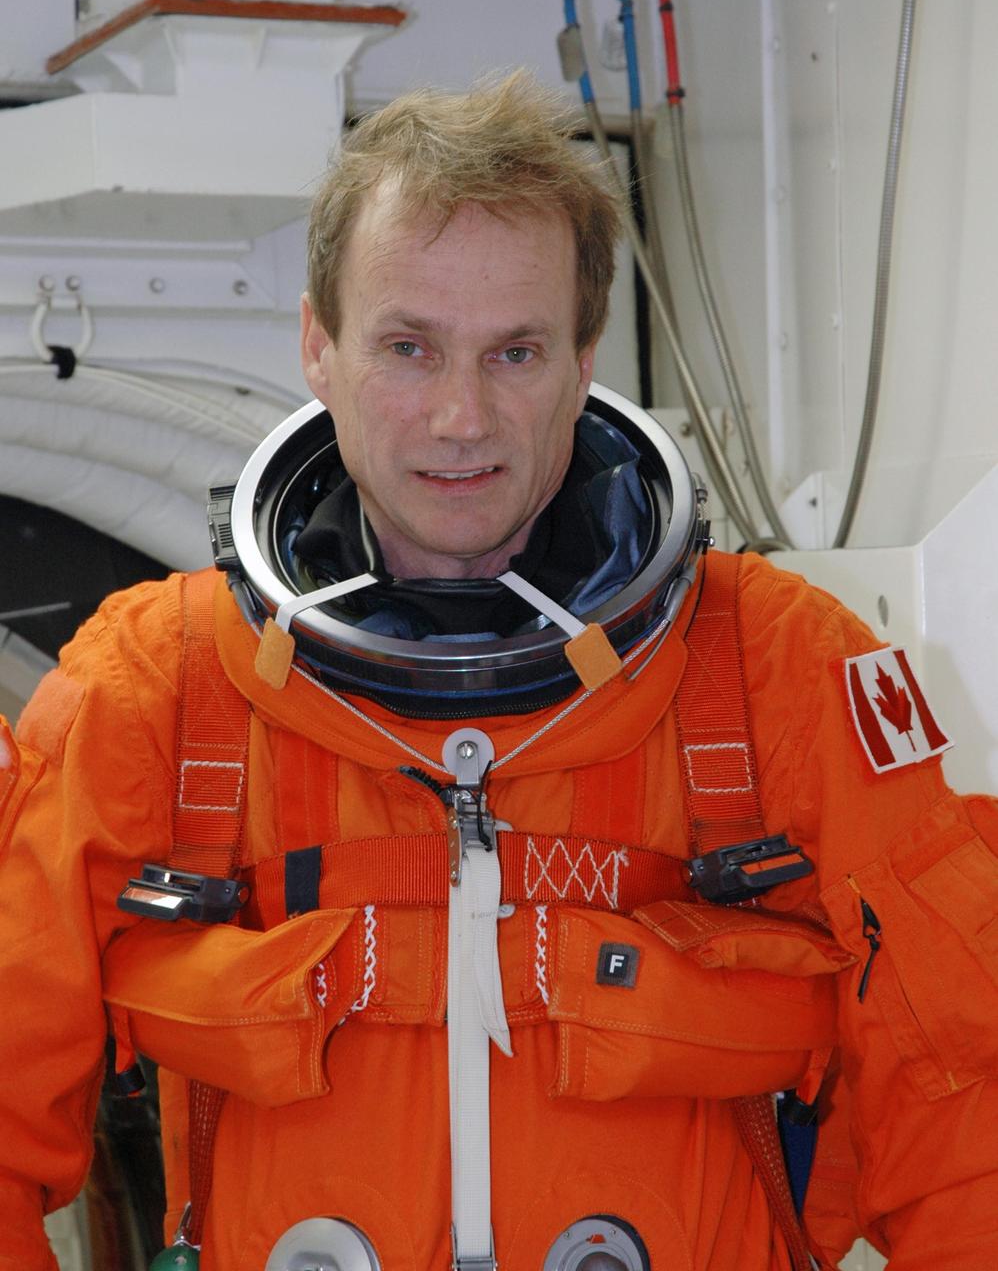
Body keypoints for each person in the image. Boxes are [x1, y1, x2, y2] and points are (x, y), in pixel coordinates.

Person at [1, 71, 996, 1271]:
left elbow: (966, 1117)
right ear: (319, 346)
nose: (461, 415)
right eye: (407, 347)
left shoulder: (773, 668)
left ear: (582, 359)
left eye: (514, 351)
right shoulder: (159, 690)